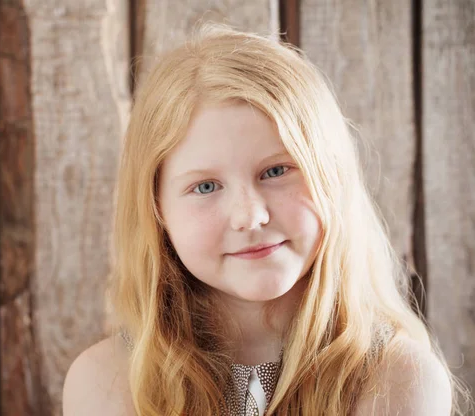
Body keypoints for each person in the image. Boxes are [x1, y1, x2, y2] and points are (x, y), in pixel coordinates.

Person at [63, 24, 471, 415]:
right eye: (205, 187)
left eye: (276, 171)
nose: (250, 216)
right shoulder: (104, 383)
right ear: (157, 210)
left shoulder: (398, 379)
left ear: (332, 177)